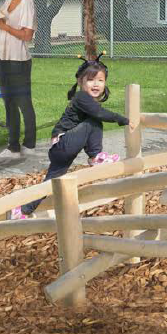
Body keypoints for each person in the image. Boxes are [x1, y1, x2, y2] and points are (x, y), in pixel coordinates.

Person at [14, 54, 129, 219]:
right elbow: (99, 113)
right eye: (90, 80)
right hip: (64, 143)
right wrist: (123, 119)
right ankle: (95, 157)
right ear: (81, 82)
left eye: (100, 80)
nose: (96, 84)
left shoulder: (87, 100)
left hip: (62, 149)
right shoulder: (82, 97)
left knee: (50, 183)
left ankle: (23, 210)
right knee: (93, 121)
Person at [0, 0, 38, 160]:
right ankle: (13, 147)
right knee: (8, 101)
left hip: (19, 60)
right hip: (3, 57)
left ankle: (30, 145)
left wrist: (3, 26)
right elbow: (3, 25)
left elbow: (27, 35)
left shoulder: (27, 3)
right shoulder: (7, 3)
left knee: (23, 102)